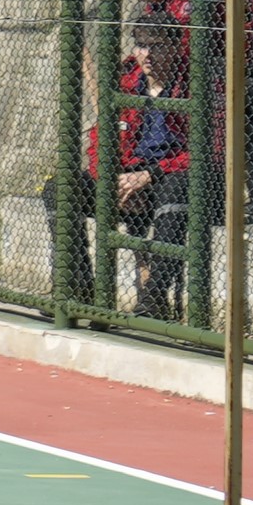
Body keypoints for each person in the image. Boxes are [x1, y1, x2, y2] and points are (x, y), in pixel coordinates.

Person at [109, 29, 194, 323]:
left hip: (170, 174)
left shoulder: (194, 83)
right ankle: (72, 287)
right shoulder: (127, 85)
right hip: (130, 174)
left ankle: (153, 298)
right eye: (141, 46)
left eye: (156, 46)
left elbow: (207, 151)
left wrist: (150, 175)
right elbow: (100, 139)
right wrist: (113, 179)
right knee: (61, 188)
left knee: (176, 190)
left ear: (175, 47)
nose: (146, 54)